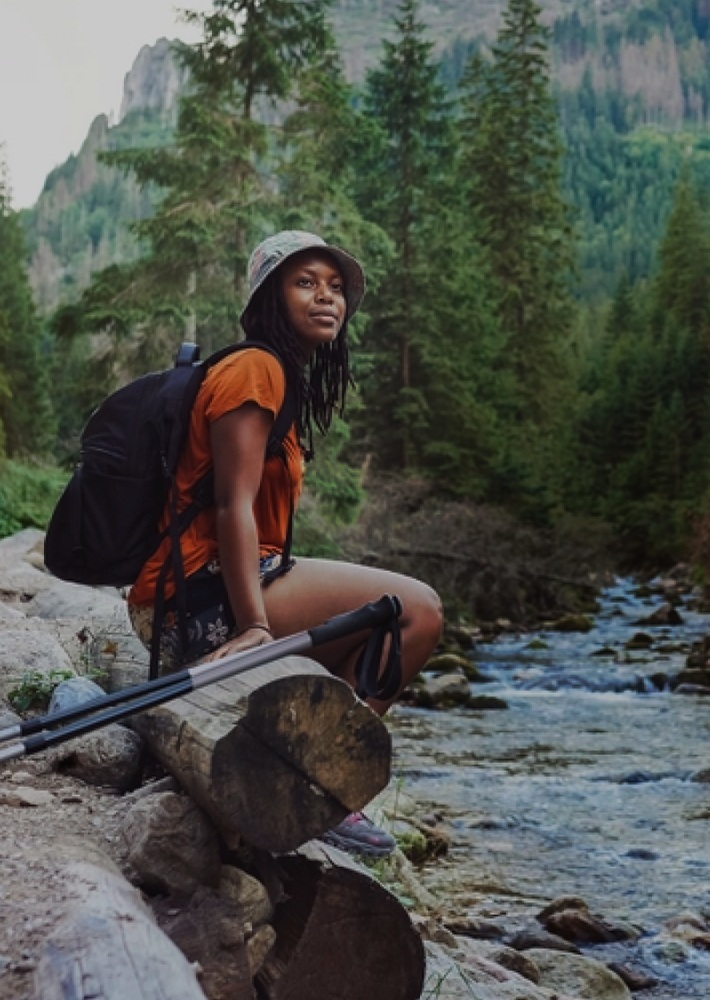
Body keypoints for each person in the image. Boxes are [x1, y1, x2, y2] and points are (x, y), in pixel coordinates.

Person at [126, 230, 443, 857]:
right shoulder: (256, 368)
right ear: (269, 298)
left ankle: (307, 777)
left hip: (205, 592)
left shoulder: (276, 375)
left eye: (335, 287)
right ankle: (328, 784)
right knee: (418, 612)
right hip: (200, 602)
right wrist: (253, 627)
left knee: (389, 615)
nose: (326, 297)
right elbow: (230, 504)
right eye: (305, 283)